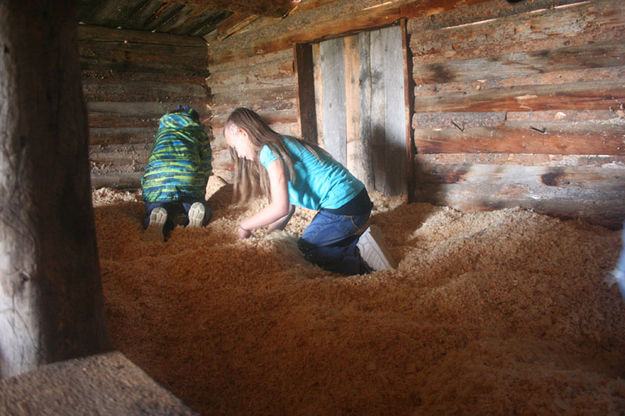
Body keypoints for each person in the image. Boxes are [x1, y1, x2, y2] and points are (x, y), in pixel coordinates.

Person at [224, 107, 395, 275]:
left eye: (235, 147)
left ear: (242, 133)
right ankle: (364, 240)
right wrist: (269, 239)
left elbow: (280, 207)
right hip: (356, 202)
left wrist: (244, 225)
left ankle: (362, 259)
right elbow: (288, 208)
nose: (238, 154)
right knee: (312, 243)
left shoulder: (270, 152)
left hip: (345, 208)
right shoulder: (280, 144)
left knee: (307, 249)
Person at [141, 105, 212, 241]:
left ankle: (157, 219)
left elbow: (152, 158)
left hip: (156, 179)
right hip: (187, 175)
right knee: (195, 204)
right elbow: (205, 163)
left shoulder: (162, 130)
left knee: (157, 206)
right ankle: (195, 213)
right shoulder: (198, 130)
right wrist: (199, 193)